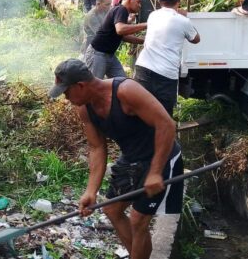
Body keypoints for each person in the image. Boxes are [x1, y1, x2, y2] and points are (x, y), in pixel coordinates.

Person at [49, 59, 182, 259]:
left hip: (160, 156)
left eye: (66, 92)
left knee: (138, 219)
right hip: (132, 159)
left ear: (81, 86)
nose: (66, 98)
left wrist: (155, 172)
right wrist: (90, 191)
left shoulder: (126, 92)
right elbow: (97, 148)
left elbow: (167, 125)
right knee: (111, 209)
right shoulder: (85, 108)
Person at [135, 0, 200, 115]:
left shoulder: (152, 15)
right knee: (163, 116)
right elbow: (196, 39)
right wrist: (184, 15)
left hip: (143, 68)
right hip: (165, 74)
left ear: (160, 1)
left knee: (141, 111)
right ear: (178, 1)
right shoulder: (183, 21)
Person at [85, 0, 147, 78]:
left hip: (109, 55)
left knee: (122, 83)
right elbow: (120, 30)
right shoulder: (121, 9)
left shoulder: (121, 11)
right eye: (138, 2)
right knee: (94, 87)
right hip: (97, 54)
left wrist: (144, 41)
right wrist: (146, 25)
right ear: (129, 0)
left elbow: (123, 36)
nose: (140, 5)